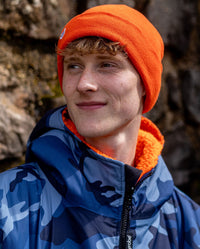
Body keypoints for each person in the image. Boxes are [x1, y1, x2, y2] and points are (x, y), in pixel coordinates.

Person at [0, 4, 199, 249]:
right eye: (74, 65)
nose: (84, 84)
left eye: (107, 64)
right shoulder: (6, 205)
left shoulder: (188, 223)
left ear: (146, 84)